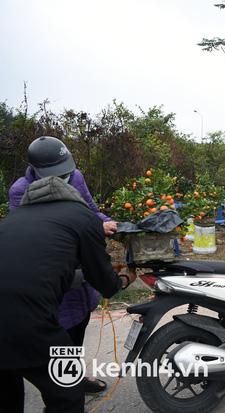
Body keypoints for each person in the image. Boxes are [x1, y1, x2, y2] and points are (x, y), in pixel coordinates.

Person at [0, 176, 137, 413]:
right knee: (68, 395)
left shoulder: (12, 219)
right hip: (31, 322)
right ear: (74, 196)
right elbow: (107, 285)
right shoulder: (83, 217)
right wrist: (125, 278)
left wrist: (84, 274)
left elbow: (34, 269)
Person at [8, 136, 117, 393]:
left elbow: (90, 209)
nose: (65, 175)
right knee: (60, 330)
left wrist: (107, 223)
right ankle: (61, 388)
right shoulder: (21, 190)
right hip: (52, 270)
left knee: (79, 325)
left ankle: (72, 378)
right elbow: (31, 235)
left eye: (67, 169)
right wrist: (89, 228)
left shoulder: (75, 177)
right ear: (36, 170)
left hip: (80, 268)